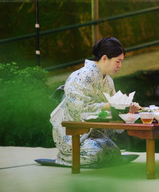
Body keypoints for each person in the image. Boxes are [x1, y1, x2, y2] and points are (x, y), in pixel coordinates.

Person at [50, 37, 125, 166]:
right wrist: (109, 106)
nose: (120, 65)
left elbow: (114, 108)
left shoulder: (108, 81)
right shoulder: (80, 76)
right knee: (95, 153)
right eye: (118, 61)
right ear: (104, 58)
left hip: (95, 132)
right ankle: (65, 157)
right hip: (73, 132)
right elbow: (79, 110)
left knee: (114, 153)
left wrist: (127, 109)